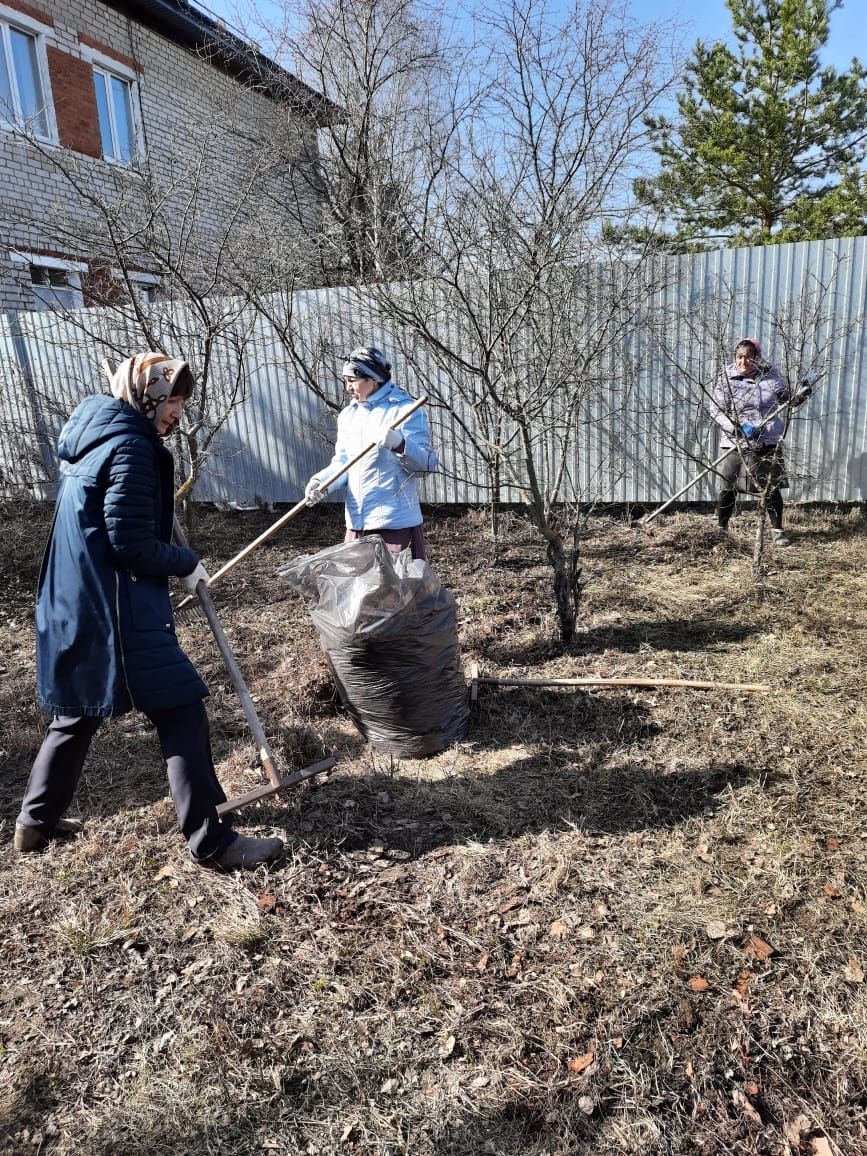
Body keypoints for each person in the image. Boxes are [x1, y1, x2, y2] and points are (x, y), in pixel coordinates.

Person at [14, 352, 283, 871]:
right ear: (148, 396)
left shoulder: (93, 440)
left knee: (76, 715)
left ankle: (34, 822)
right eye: (172, 400)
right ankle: (212, 842)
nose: (178, 412)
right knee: (182, 708)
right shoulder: (132, 449)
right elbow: (131, 543)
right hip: (117, 610)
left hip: (76, 604)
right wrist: (185, 561)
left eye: (181, 401)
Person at [304, 346, 438, 560]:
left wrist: (400, 444)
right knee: (359, 592)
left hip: (395, 524)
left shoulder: (405, 410)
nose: (348, 388)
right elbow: (343, 463)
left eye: (352, 380)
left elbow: (427, 465)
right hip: (358, 522)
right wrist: (322, 482)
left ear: (372, 379)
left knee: (397, 591)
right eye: (345, 381)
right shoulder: (349, 416)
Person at [711, 337, 811, 547]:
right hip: (735, 442)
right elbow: (717, 411)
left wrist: (803, 393)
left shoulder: (771, 376)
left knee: (771, 487)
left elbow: (789, 401)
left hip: (766, 441)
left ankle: (777, 531)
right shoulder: (726, 379)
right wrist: (736, 429)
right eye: (739, 357)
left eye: (748, 357)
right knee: (728, 486)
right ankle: (721, 529)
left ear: (757, 357)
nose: (743, 362)